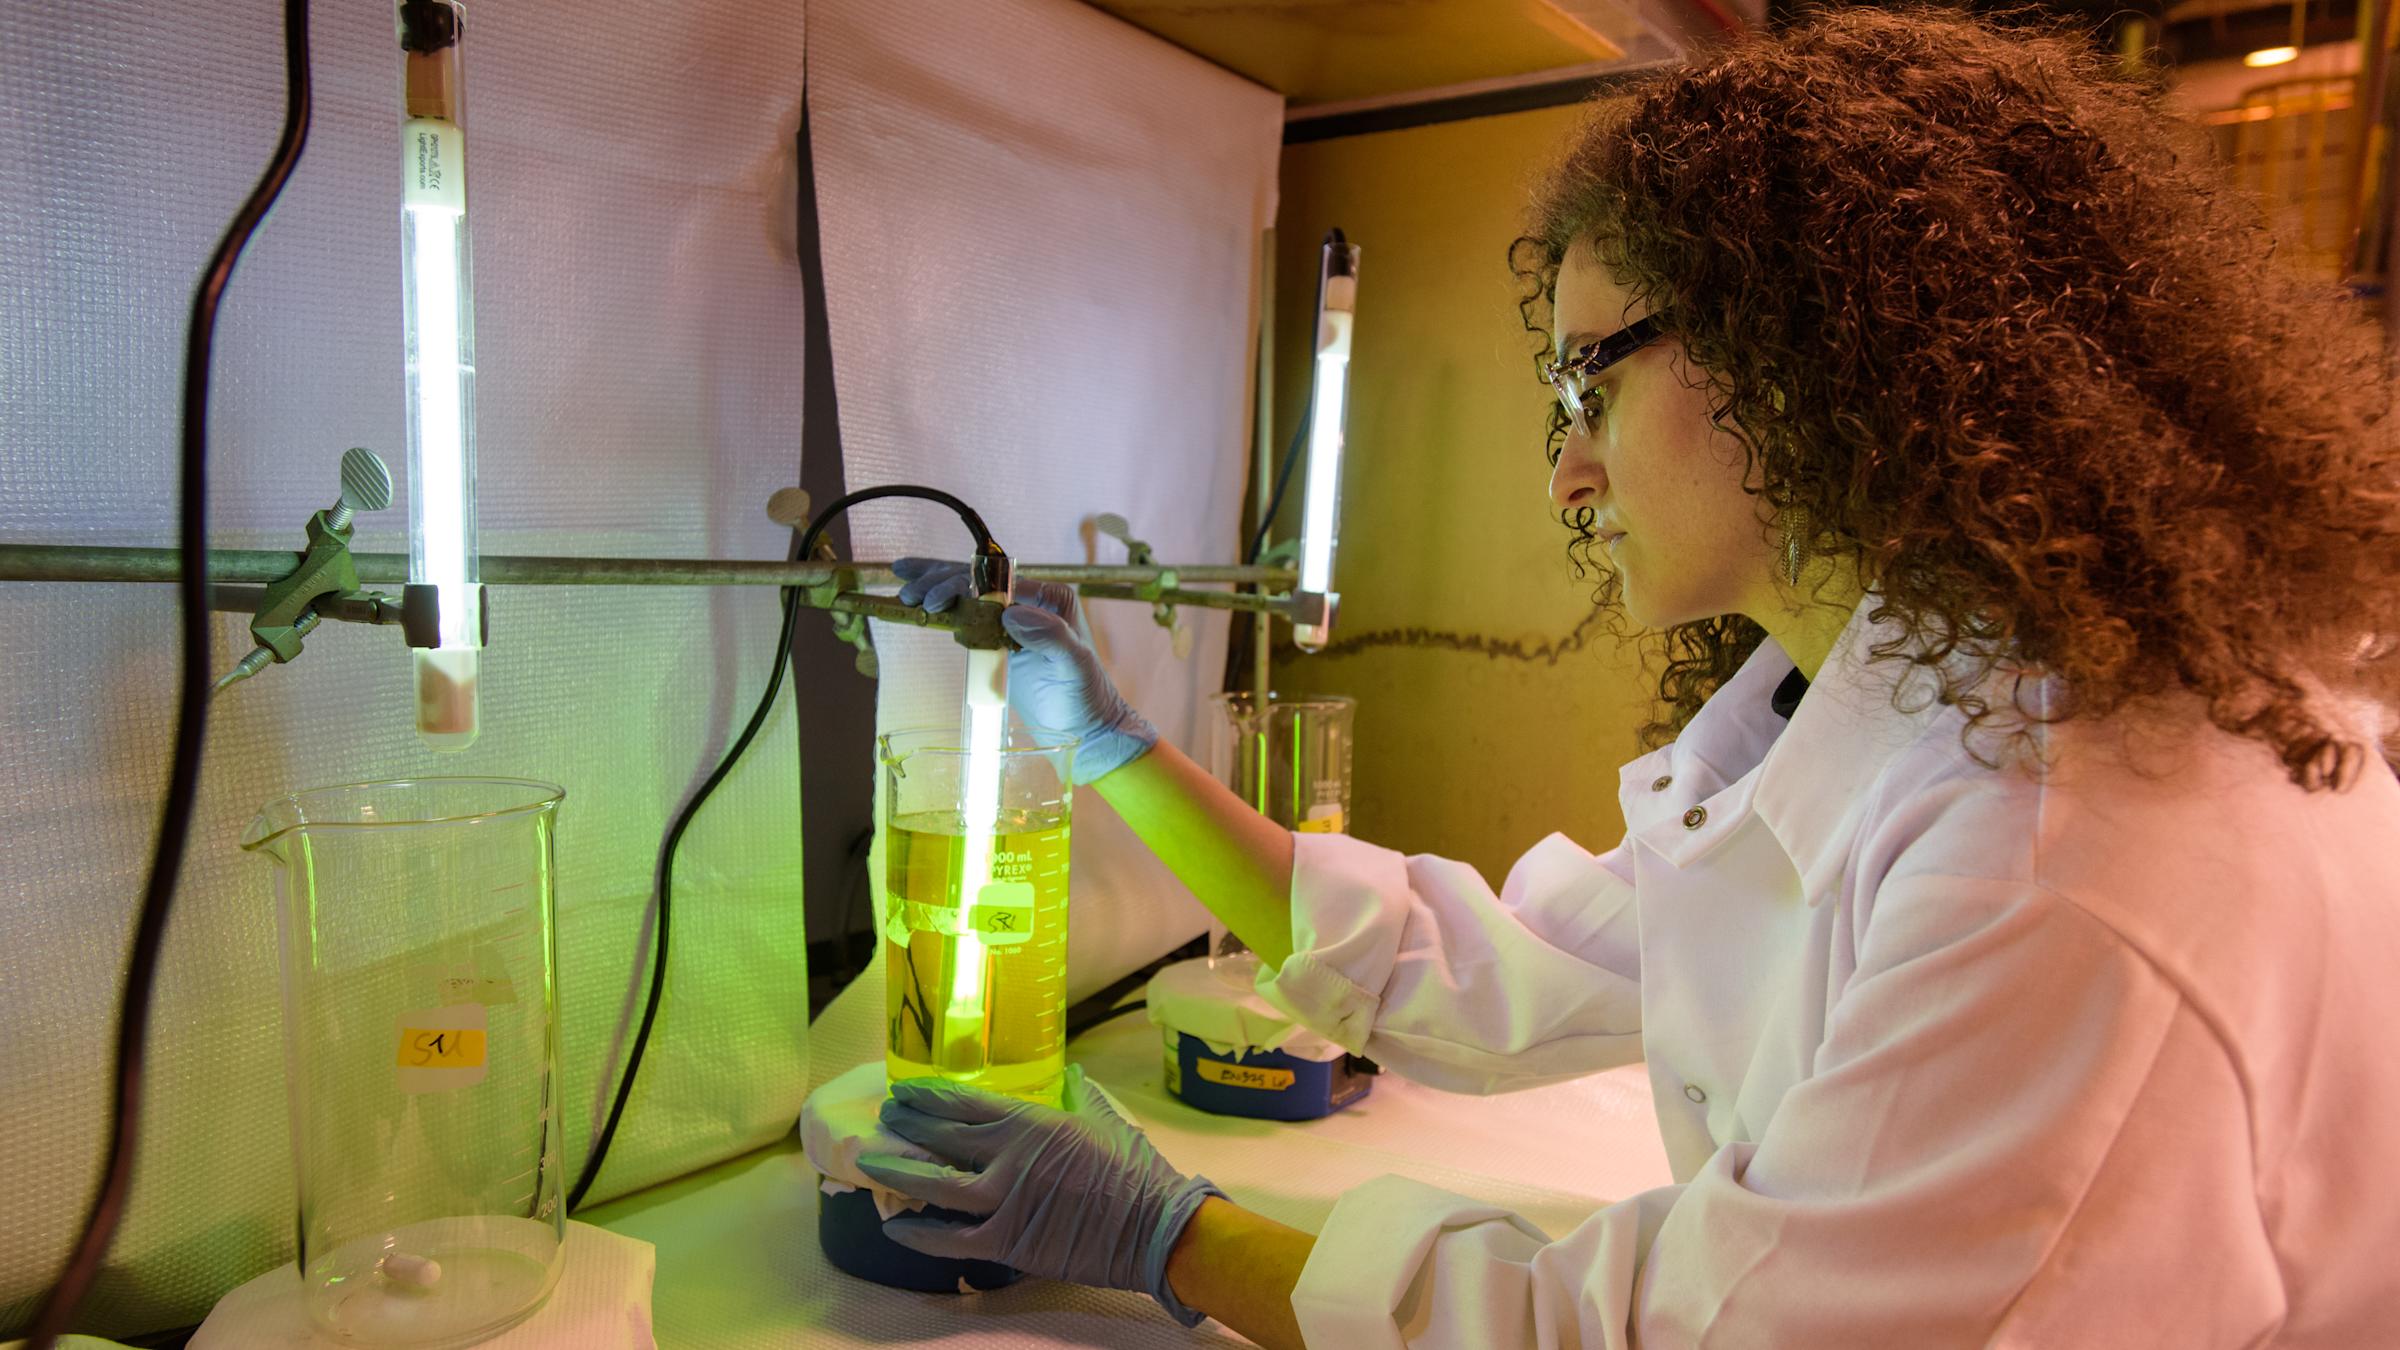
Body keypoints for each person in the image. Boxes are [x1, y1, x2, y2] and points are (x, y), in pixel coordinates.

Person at [858, 9, 2400, 1347]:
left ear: (1809, 346)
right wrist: (1119, 744)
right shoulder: (1894, 703)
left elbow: (1645, 1336)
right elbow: (1485, 965)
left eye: (1592, 380)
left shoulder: (2061, 853)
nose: (1569, 477)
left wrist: (1165, 1236)